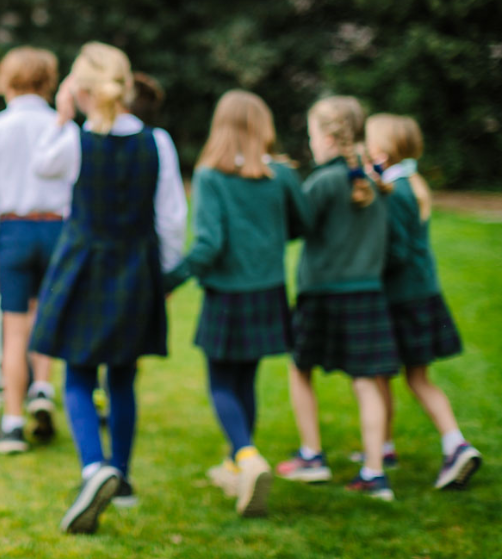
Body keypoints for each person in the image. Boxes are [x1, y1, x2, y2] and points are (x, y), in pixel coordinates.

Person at [29, 42, 186, 534]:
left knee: (78, 373)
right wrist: (166, 275)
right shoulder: (157, 142)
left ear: (82, 88)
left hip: (84, 264)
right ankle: (123, 477)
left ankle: (95, 468)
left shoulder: (75, 140)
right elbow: (173, 218)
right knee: (122, 376)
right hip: (136, 266)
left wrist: (61, 116)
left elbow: (41, 166)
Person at [165, 90, 311, 517]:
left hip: (228, 294)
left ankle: (247, 457)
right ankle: (236, 462)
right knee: (245, 379)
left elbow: (209, 244)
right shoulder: (281, 174)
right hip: (268, 291)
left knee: (222, 383)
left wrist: (170, 280)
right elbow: (301, 223)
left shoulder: (212, 176)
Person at [278, 96, 400, 501]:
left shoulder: (325, 181)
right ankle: (374, 472)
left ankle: (312, 456)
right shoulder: (375, 179)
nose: (309, 142)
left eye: (311, 133)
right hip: (367, 294)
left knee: (300, 370)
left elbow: (294, 227)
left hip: (322, 295)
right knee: (366, 381)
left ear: (329, 136)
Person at [365, 113, 482, 489]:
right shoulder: (412, 184)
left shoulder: (393, 194)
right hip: (422, 296)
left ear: (381, 149)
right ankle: (389, 446)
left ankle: (454, 444)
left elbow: (395, 252)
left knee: (387, 376)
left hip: (402, 299)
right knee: (416, 377)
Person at [0, 46, 72, 454]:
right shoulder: (63, 124)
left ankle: (14, 422)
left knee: (14, 327)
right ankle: (42, 386)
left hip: (12, 229)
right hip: (56, 229)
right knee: (47, 316)